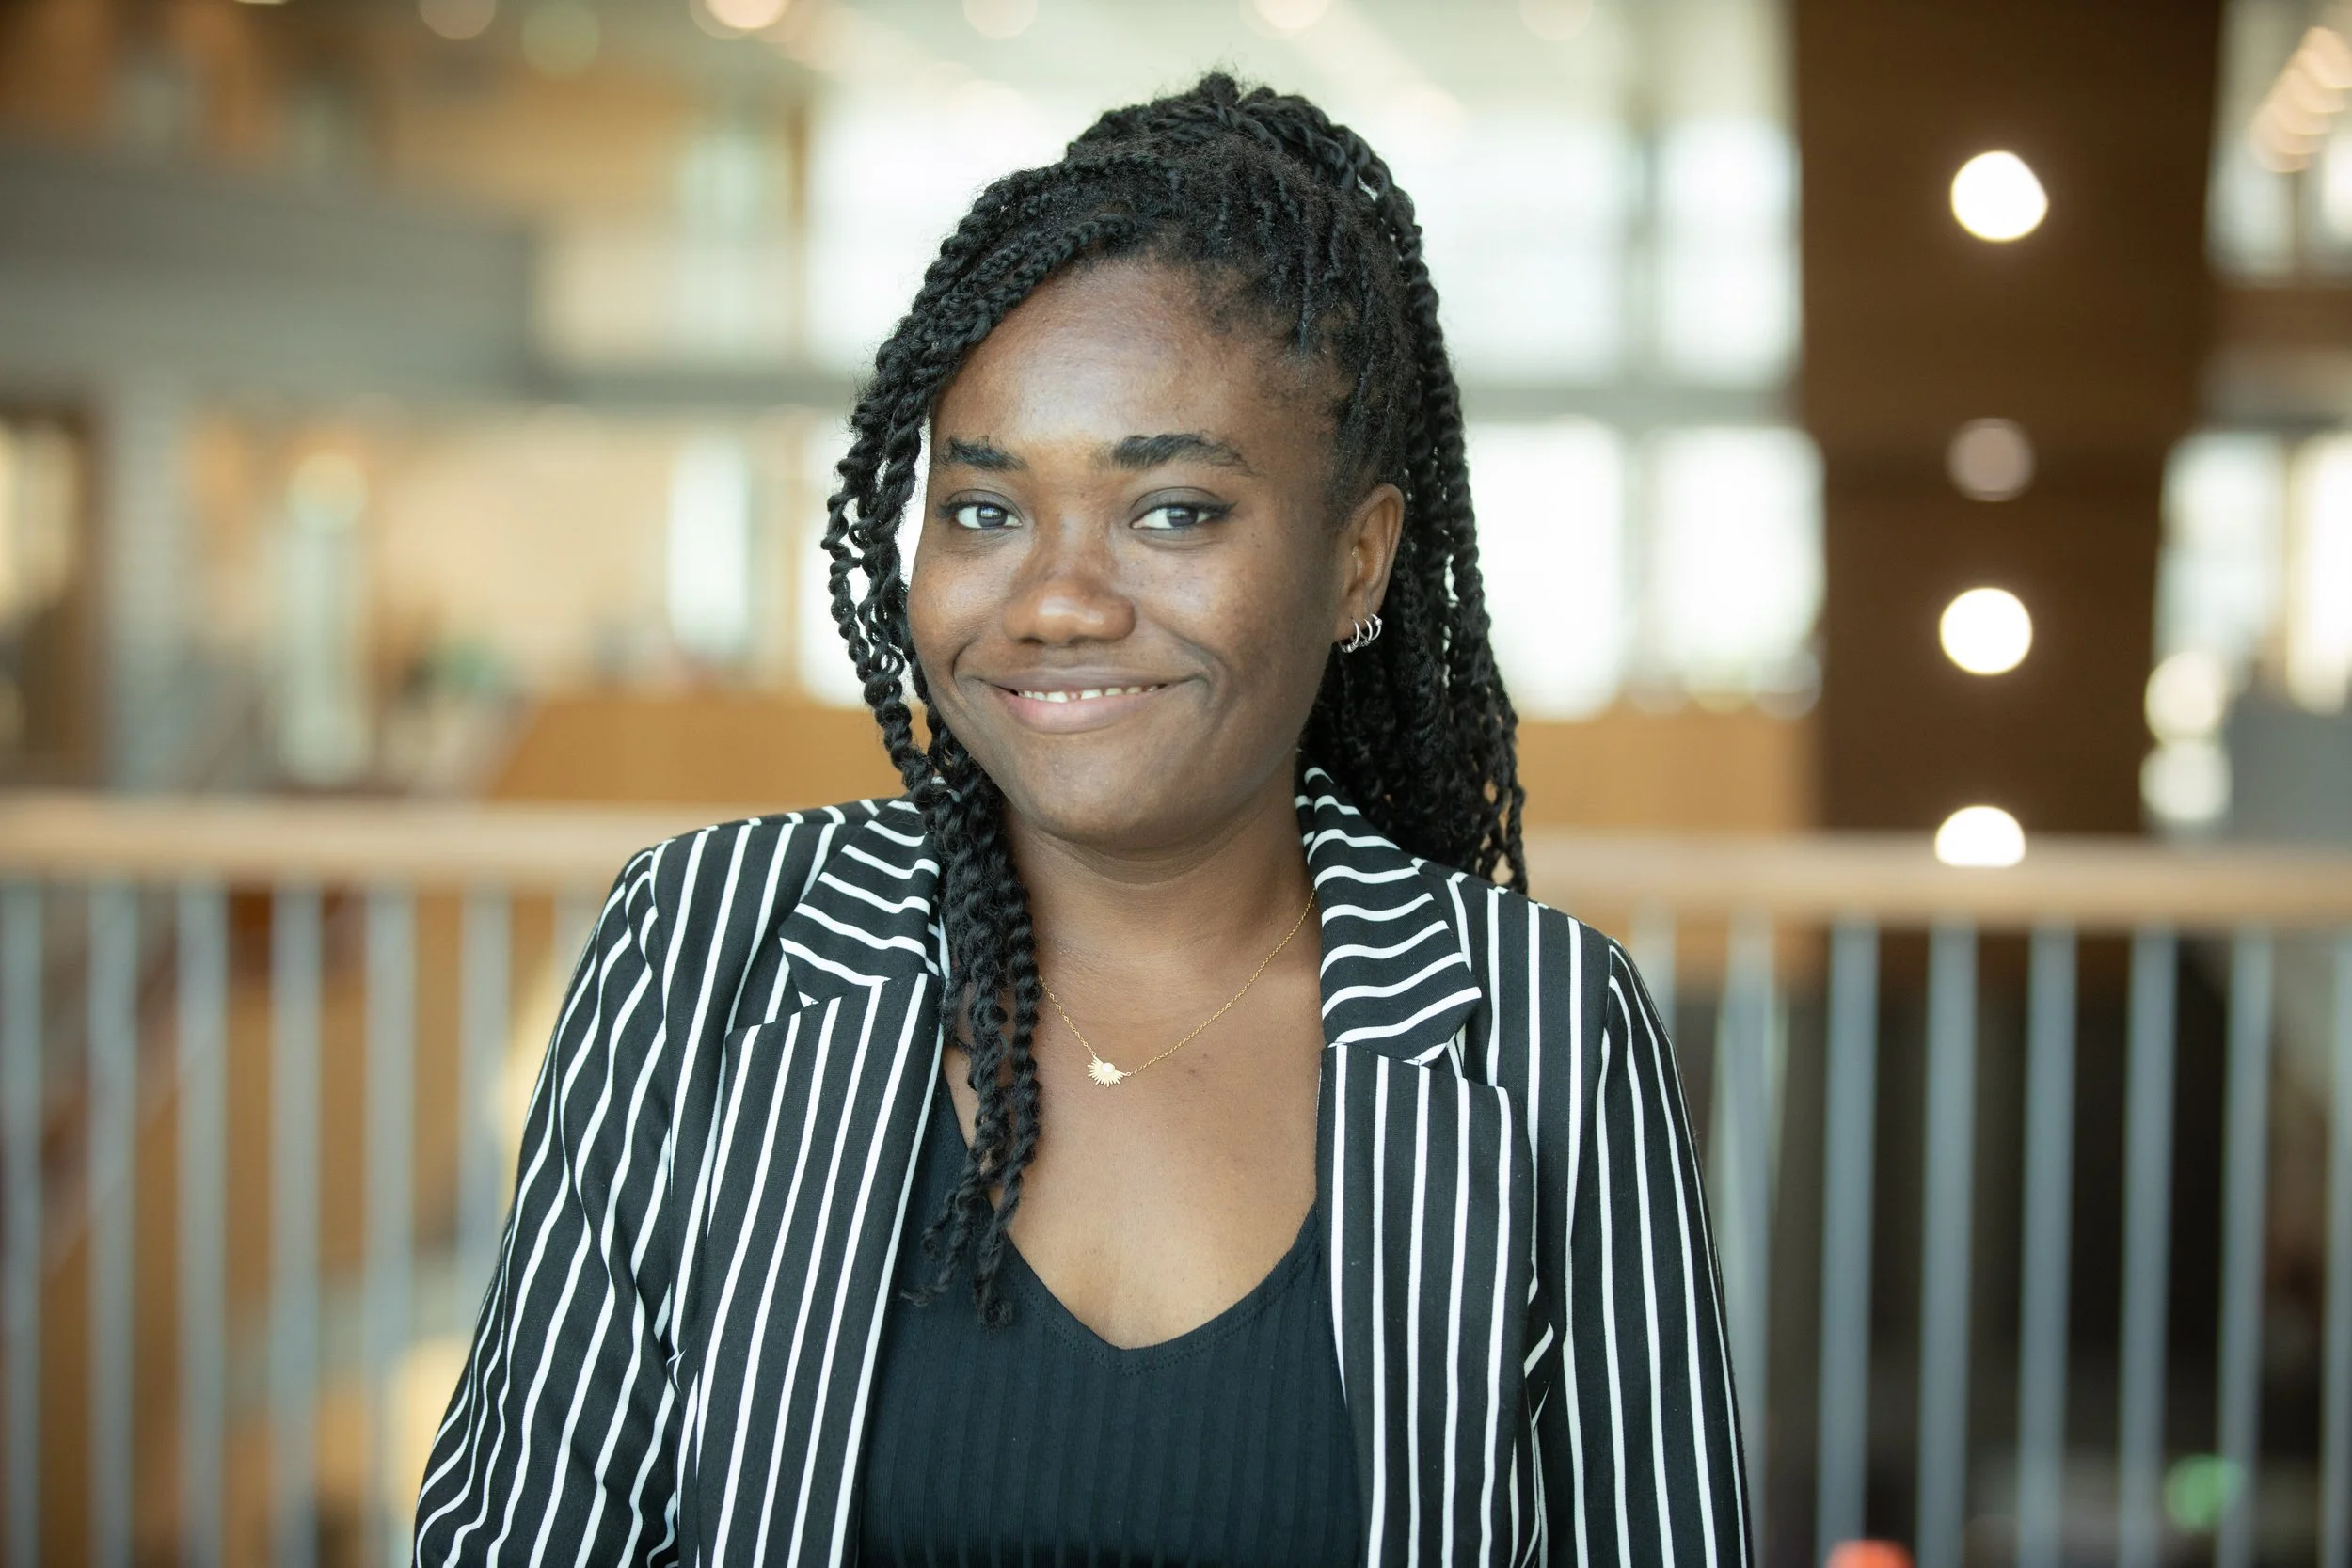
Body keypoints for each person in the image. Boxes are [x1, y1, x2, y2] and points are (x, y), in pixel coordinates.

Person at [413, 73, 1747, 1568]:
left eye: (1172, 510)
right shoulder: (711, 946)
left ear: (1358, 560)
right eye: (985, 511)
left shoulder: (1542, 1031)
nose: (1055, 602)